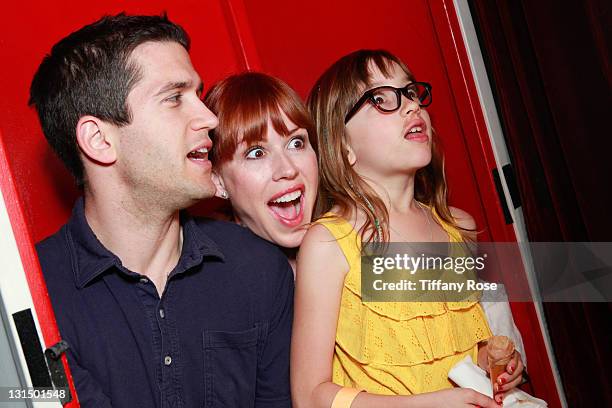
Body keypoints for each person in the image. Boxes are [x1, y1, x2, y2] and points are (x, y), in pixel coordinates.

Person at [30, 13, 293, 407]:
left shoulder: (255, 266)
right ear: (99, 140)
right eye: (174, 98)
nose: (209, 118)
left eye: (197, 95)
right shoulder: (31, 297)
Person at [291, 49, 525, 407]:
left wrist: (495, 367)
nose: (411, 106)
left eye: (411, 92)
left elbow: (453, 354)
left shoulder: (458, 229)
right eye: (380, 100)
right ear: (343, 145)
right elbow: (310, 395)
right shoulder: (330, 243)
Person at [204, 72, 319, 272]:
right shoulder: (214, 284)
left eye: (296, 143)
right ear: (217, 181)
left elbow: (393, 297)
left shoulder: (367, 235)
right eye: (256, 153)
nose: (288, 169)